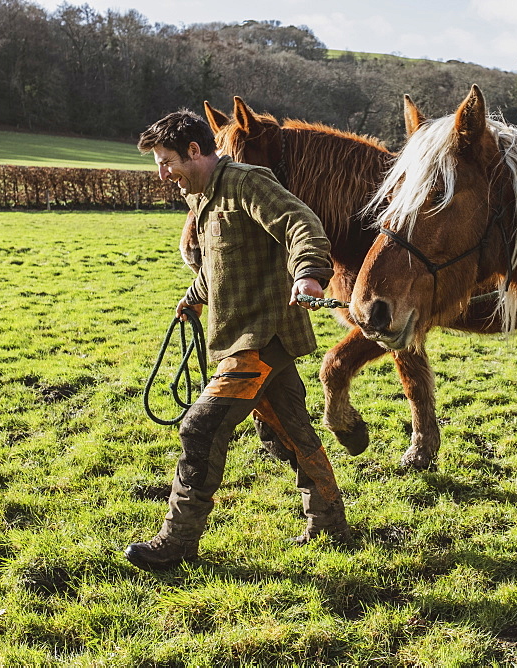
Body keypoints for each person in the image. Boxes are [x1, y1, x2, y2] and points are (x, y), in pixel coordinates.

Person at [125, 109, 349, 571]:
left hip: (262, 336)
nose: (164, 174)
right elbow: (217, 266)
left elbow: (301, 222)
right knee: (287, 431)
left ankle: (178, 539)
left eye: (167, 162)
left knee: (201, 427)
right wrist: (193, 298)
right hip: (240, 336)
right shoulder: (202, 199)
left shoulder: (248, 181)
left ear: (194, 150)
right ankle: (329, 521)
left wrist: (309, 274)